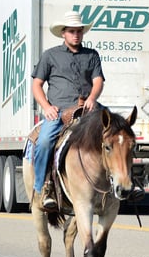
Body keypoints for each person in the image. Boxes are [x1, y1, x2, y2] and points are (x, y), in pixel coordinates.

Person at [31, 11, 105, 210]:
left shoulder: (92, 55)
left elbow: (98, 81)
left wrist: (92, 98)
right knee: (44, 142)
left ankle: (124, 183)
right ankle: (43, 188)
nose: (76, 35)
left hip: (87, 109)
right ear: (63, 33)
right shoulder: (50, 56)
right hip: (60, 111)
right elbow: (36, 85)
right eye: (72, 31)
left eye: (79, 31)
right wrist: (46, 107)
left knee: (117, 132)